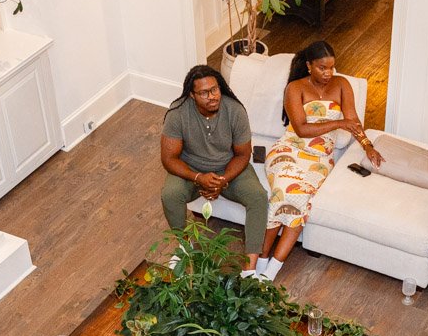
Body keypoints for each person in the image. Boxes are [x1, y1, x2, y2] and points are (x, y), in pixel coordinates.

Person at [259, 41, 382, 282]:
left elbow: (353, 119)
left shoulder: (342, 85)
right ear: (309, 66)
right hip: (289, 150)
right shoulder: (295, 88)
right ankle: (261, 259)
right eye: (322, 68)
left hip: (319, 160)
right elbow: (302, 129)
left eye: (332, 68)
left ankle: (272, 269)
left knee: (300, 198)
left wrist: (367, 145)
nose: (329, 74)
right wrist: (338, 123)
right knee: (283, 192)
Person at [160, 65, 269, 269]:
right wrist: (198, 177)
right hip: (191, 169)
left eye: (215, 89)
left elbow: (243, 154)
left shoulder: (235, 110)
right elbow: (168, 159)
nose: (212, 96)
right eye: (204, 93)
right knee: (170, 194)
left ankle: (250, 268)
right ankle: (184, 248)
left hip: (228, 168)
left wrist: (223, 180)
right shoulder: (178, 113)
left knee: (259, 197)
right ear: (192, 95)